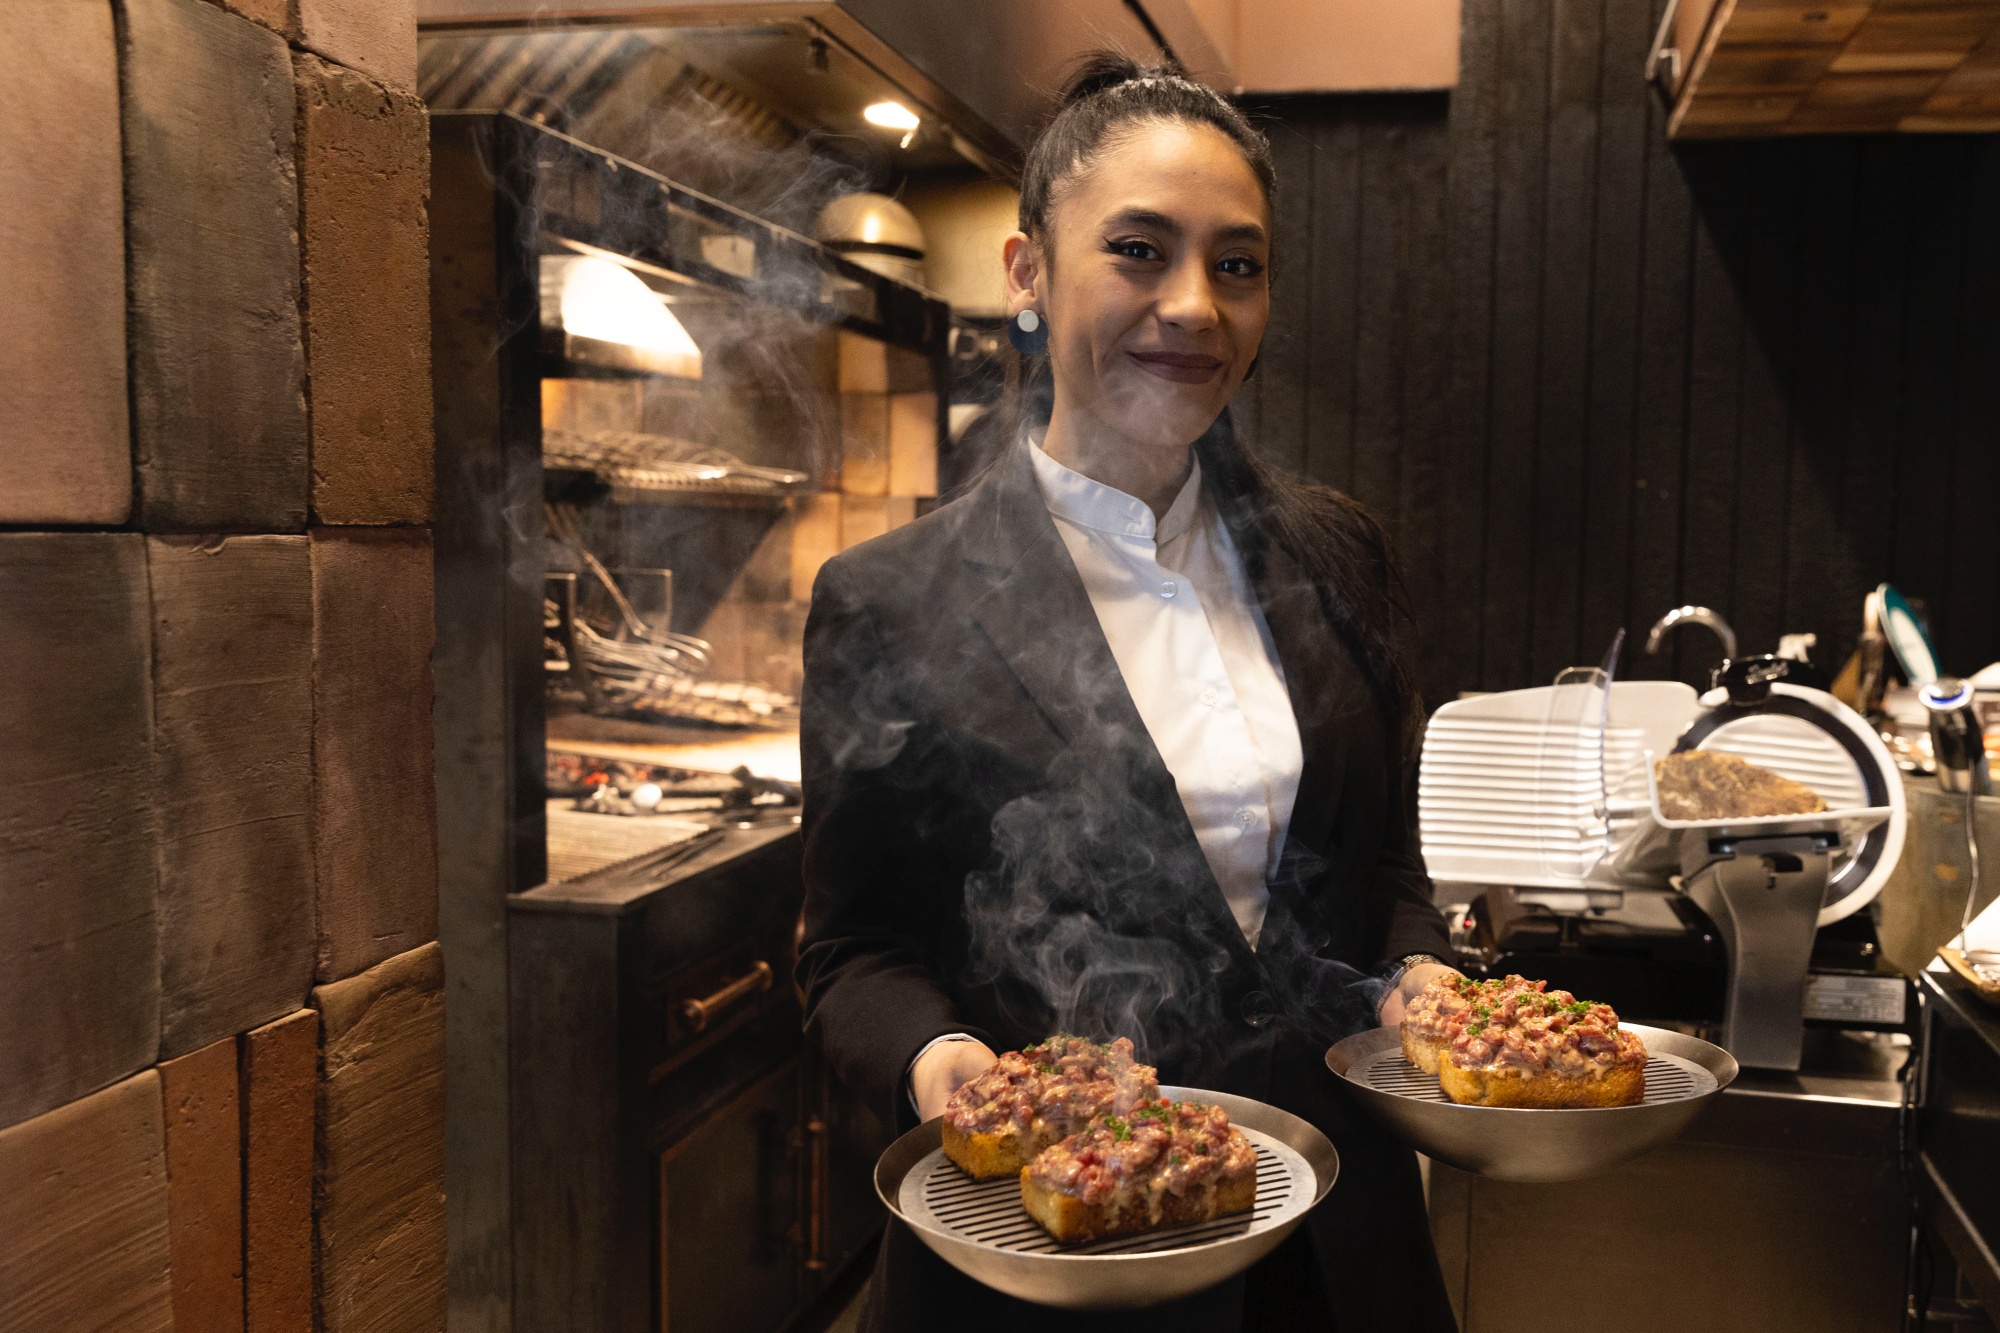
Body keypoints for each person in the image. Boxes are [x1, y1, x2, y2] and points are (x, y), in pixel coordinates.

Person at [797, 53, 1462, 1333]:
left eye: (1236, 263)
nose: (1193, 306)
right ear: (1027, 273)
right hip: (1047, 1259)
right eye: (1138, 250)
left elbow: (1383, 872)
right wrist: (942, 1066)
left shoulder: (1339, 559)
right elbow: (854, 952)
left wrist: (1416, 973)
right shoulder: (889, 600)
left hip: (1334, 1247)